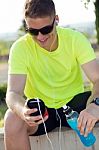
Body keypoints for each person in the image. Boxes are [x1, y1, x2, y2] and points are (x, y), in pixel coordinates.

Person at [4, 0, 99, 149]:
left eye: (46, 29)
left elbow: (97, 79)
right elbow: (13, 93)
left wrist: (94, 106)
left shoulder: (75, 39)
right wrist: (23, 111)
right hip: (42, 112)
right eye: (33, 31)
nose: (40, 37)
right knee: (11, 118)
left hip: (74, 107)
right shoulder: (20, 48)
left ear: (56, 20)